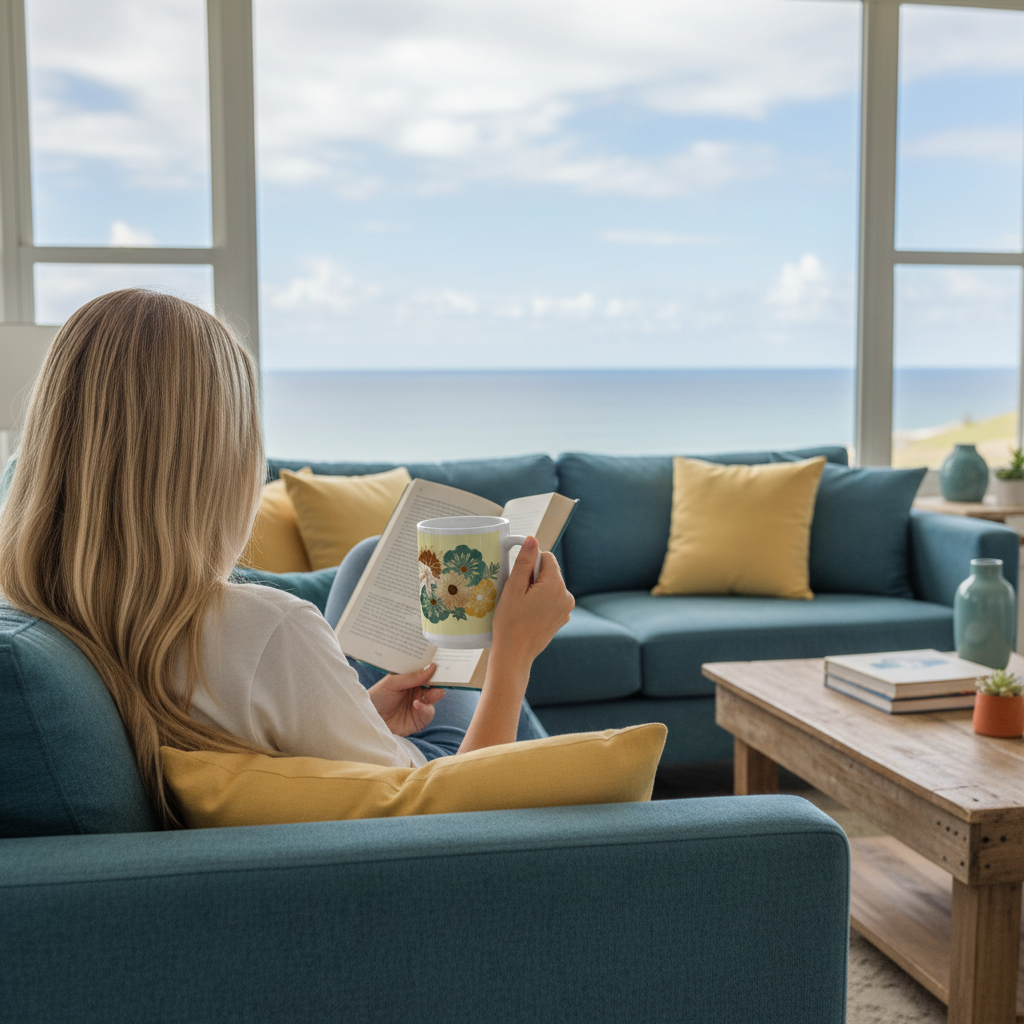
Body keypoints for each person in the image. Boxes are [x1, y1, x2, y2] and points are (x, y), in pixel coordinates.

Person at [0, 289, 574, 828]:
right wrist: (513, 653)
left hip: (367, 758)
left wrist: (360, 713)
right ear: (220, 461)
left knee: (369, 558)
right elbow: (451, 809)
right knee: (470, 620)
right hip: (440, 777)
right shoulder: (267, 630)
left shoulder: (41, 604)